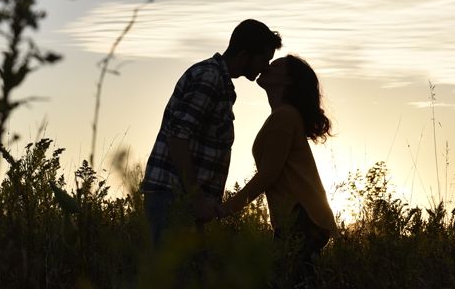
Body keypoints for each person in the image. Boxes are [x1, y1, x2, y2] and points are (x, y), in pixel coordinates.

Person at [140, 19, 282, 246]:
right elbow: (178, 137)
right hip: (173, 199)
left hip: (180, 200)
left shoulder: (220, 81)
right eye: (264, 59)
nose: (265, 67)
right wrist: (195, 197)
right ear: (245, 55)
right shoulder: (210, 78)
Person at [217, 55, 339, 288]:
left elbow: (268, 175)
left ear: (288, 81)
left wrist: (227, 208)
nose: (267, 65)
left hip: (301, 219)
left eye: (276, 65)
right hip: (298, 219)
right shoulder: (283, 116)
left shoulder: (284, 116)